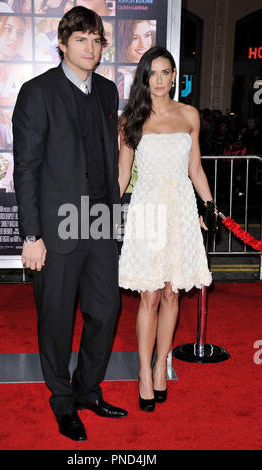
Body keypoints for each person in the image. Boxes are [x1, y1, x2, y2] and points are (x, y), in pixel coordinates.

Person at [12, 6, 127, 442]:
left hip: (99, 219)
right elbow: (26, 169)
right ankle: (62, 401)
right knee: (56, 319)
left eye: (97, 40)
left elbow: (107, 156)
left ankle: (87, 390)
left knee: (106, 310)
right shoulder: (37, 92)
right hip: (56, 225)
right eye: (82, 39)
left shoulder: (106, 91)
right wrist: (31, 236)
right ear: (62, 43)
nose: (91, 48)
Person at [118, 46, 214, 412]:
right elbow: (123, 177)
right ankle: (144, 371)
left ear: (174, 76)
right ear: (145, 78)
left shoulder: (190, 115)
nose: (159, 80)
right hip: (147, 213)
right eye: (152, 74)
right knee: (150, 296)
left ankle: (162, 364)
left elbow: (196, 169)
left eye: (165, 73)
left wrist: (209, 205)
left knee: (173, 294)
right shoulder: (130, 120)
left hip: (181, 213)